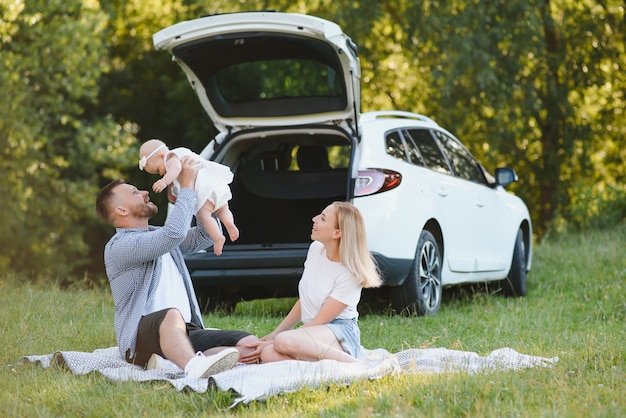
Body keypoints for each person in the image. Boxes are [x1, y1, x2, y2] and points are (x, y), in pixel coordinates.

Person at [95, 157, 260, 379]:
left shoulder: (158, 236)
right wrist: (188, 187)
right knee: (172, 315)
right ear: (121, 210)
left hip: (185, 329)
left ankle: (199, 359)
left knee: (249, 344)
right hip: (140, 339)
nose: (144, 192)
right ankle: (193, 366)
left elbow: (204, 236)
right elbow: (172, 234)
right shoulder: (120, 246)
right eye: (135, 192)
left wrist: (202, 193)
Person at [248, 201, 383, 363]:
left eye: (323, 219)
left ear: (337, 233)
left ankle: (358, 365)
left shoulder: (350, 273)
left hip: (339, 332)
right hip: (312, 333)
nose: (314, 219)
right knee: (269, 353)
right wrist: (274, 334)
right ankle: (325, 366)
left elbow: (320, 321)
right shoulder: (315, 249)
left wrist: (279, 339)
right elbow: (305, 301)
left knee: (282, 342)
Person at [138, 138, 239, 255]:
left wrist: (164, 182)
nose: (160, 174)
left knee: (203, 215)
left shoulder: (170, 157)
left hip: (205, 190)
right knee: (222, 209)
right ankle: (229, 224)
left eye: (157, 170)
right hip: (216, 186)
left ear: (161, 155)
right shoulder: (182, 154)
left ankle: (217, 237)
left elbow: (176, 168)